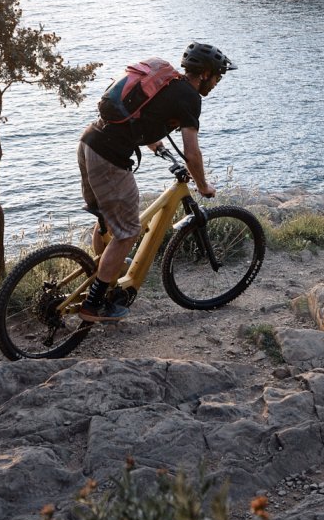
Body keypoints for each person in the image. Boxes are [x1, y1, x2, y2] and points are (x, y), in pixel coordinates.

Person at [76, 42, 234, 322]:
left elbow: (141, 118)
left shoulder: (167, 84)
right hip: (109, 157)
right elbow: (192, 152)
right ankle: (94, 303)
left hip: (89, 143)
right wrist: (203, 185)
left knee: (107, 220)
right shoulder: (190, 97)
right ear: (206, 73)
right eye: (218, 76)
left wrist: (159, 149)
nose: (218, 82)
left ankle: (102, 274)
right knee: (128, 232)